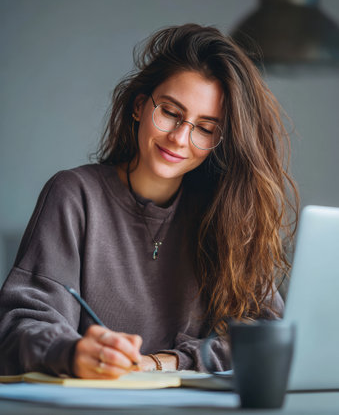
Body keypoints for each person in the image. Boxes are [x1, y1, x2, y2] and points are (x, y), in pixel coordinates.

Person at [0, 24, 299, 379]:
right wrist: (73, 351)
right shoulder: (74, 195)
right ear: (140, 106)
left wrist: (164, 362)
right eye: (171, 112)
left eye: (205, 128)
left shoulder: (229, 215)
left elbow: (265, 336)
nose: (179, 138)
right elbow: (20, 326)